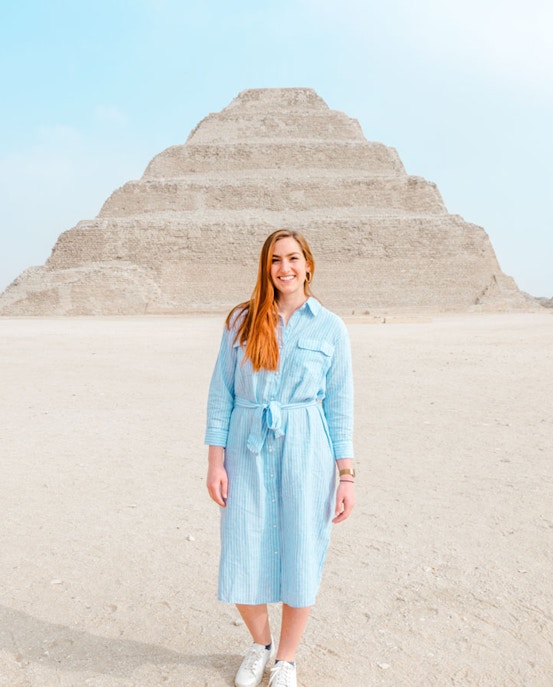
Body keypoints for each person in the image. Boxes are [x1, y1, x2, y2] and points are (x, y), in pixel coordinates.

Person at [204, 229, 356, 687]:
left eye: (292, 258)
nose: (284, 268)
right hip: (246, 449)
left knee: (301, 553)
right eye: (275, 260)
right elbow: (220, 396)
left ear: (308, 264)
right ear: (265, 267)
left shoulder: (330, 327)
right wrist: (215, 463)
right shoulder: (241, 322)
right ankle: (260, 646)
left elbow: (340, 406)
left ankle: (286, 660)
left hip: (307, 450)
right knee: (242, 550)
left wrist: (346, 476)